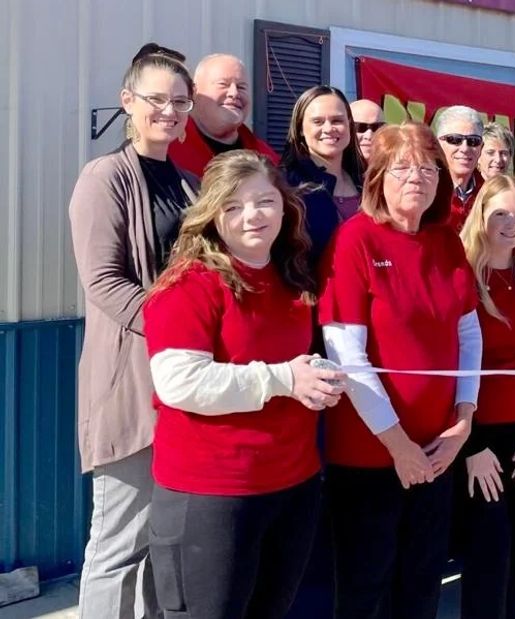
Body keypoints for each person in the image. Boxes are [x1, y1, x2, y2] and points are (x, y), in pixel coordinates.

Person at [142, 150, 345, 618]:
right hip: (214, 495)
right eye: (232, 206)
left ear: (285, 205)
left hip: (291, 485)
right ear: (211, 215)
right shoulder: (188, 285)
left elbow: (288, 366)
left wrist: (315, 377)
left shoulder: (291, 277)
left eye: (264, 201)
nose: (252, 216)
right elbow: (179, 382)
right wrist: (283, 379)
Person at [318, 123, 481, 618]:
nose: (419, 177)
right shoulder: (355, 242)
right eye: (404, 167)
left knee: (421, 583)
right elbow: (347, 354)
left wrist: (463, 422)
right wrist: (397, 445)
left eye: (429, 167)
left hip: (437, 450)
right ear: (378, 177)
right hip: (370, 456)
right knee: (366, 588)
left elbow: (468, 334)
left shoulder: (446, 242)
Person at [67, 43, 197, 619]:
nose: (168, 111)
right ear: (127, 102)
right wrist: (180, 329)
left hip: (185, 380)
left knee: (161, 544)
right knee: (119, 544)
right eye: (155, 100)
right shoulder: (103, 178)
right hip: (131, 383)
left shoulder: (190, 183)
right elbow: (104, 282)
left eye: (179, 101)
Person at [457, 175, 515, 619]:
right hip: (479, 438)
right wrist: (471, 445)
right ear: (480, 216)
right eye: (500, 213)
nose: (512, 223)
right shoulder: (461, 276)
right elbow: (449, 368)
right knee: (487, 552)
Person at [280, 85, 364, 262]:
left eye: (337, 121)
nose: (328, 128)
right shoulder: (286, 186)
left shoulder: (366, 180)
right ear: (301, 128)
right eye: (318, 121)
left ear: (349, 124)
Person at [169, 53, 279, 176]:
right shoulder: (166, 146)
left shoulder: (267, 159)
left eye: (241, 87)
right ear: (194, 92)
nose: (234, 93)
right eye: (223, 84)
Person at [434, 105, 486, 230]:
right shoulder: (425, 188)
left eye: (473, 141)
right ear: (438, 144)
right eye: (454, 140)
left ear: (481, 147)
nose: (464, 148)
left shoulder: (489, 194)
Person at [349, 98, 385, 164]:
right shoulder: (332, 170)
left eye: (377, 127)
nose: (369, 136)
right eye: (360, 127)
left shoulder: (396, 169)